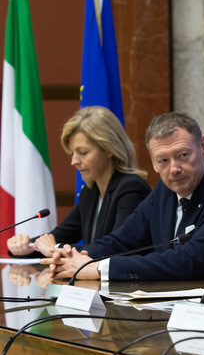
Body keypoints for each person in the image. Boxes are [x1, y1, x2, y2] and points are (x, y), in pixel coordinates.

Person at [42, 112, 204, 281]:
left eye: (182, 155)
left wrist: (98, 268)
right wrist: (73, 257)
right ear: (153, 162)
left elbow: (192, 261)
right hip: (173, 310)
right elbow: (122, 241)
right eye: (163, 160)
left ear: (203, 147)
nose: (174, 169)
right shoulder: (165, 188)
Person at [7, 106, 151, 284]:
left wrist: (55, 249)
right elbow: (58, 236)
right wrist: (25, 247)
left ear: (109, 149)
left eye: (82, 153)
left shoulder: (131, 188)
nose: (74, 161)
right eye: (72, 153)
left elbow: (118, 247)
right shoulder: (90, 193)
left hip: (129, 291)